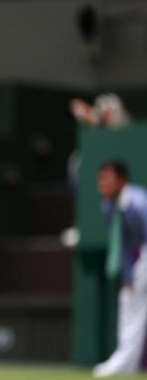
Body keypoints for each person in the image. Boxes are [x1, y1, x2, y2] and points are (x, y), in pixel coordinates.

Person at [92, 160, 147, 378]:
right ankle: (126, 362)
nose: (102, 184)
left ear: (122, 181)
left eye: (108, 179)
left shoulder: (139, 203)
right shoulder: (107, 206)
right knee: (128, 300)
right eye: (100, 179)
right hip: (138, 261)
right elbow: (121, 242)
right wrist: (127, 274)